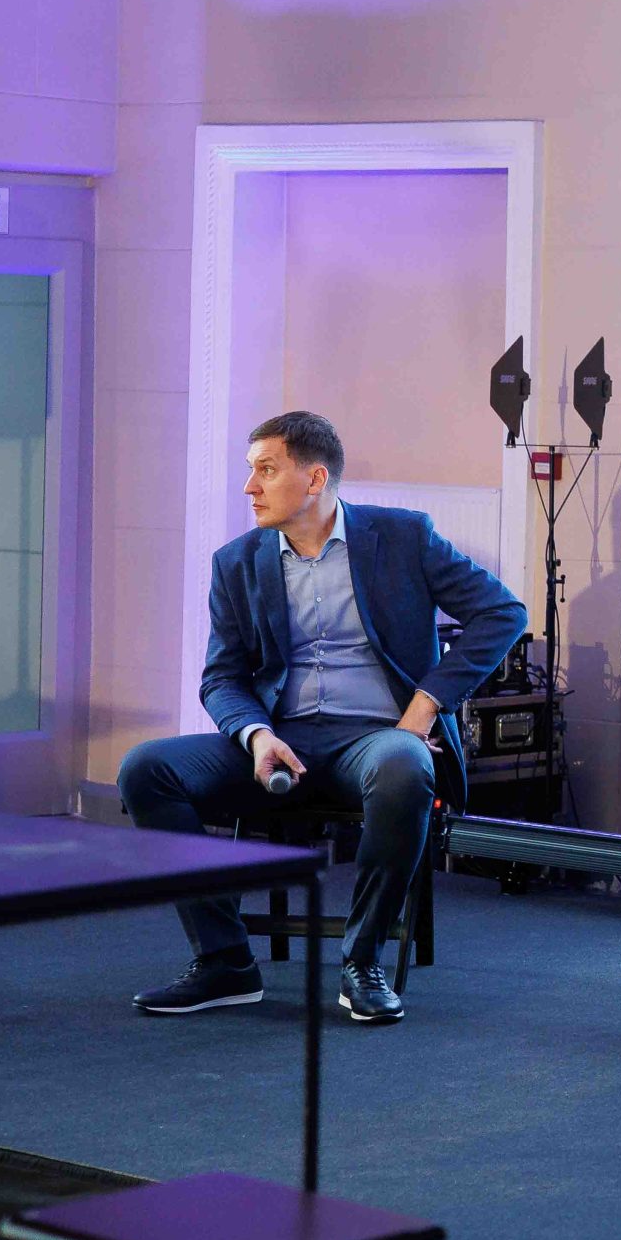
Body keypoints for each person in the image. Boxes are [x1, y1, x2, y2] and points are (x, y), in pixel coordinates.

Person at [117, 411, 525, 1025]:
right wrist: (257, 736)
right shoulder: (236, 562)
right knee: (146, 769)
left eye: (265, 470)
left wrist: (424, 707)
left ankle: (363, 963)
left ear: (314, 479)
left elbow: (503, 613)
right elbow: (221, 678)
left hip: (376, 739)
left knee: (405, 764)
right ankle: (225, 960)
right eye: (250, 470)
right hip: (280, 740)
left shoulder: (403, 537)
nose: (249, 487)